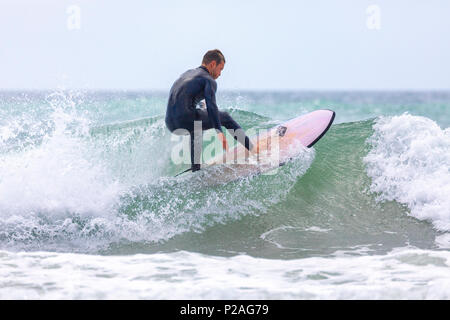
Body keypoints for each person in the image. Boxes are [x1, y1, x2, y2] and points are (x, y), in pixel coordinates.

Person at [165, 49, 254, 172]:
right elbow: (212, 106)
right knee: (225, 117)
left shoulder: (188, 74)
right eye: (220, 69)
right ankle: (254, 150)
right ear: (212, 64)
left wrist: (203, 111)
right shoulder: (208, 80)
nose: (219, 74)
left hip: (170, 123)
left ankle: (195, 168)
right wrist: (219, 131)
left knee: (196, 123)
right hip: (185, 119)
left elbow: (192, 100)